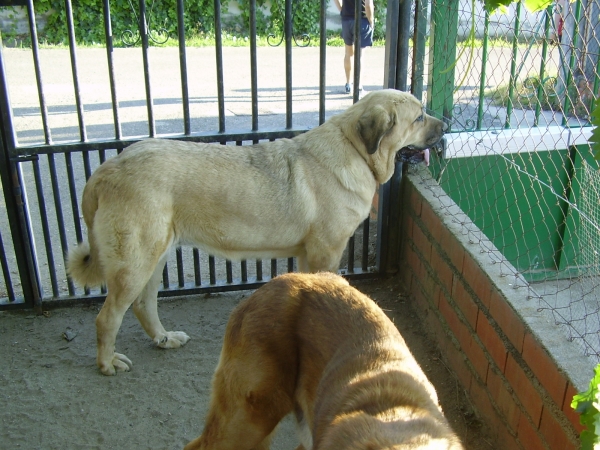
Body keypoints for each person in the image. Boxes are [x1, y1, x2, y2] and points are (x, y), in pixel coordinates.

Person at [333, 0, 375, 95]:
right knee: (360, 55)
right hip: (362, 20)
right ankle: (358, 87)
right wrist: (371, 21)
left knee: (348, 53)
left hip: (347, 20)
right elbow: (368, 5)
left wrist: (341, 10)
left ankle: (348, 85)